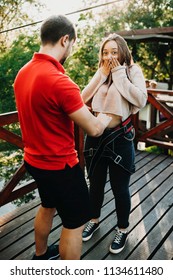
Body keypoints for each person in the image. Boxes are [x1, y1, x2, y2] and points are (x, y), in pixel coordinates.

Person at [14, 15, 112, 260]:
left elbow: (64, 105)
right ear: (65, 39)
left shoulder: (23, 73)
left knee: (47, 205)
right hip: (61, 167)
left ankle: (41, 254)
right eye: (73, 44)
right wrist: (110, 113)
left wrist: (99, 78)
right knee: (75, 224)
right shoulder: (59, 81)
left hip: (34, 161)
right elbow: (95, 129)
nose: (72, 49)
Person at [81, 33, 147, 254]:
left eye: (114, 52)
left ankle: (123, 229)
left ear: (122, 51)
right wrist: (102, 74)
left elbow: (140, 99)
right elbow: (82, 98)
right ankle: (94, 219)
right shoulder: (101, 71)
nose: (109, 56)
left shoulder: (132, 70)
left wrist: (119, 74)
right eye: (105, 52)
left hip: (120, 138)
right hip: (95, 137)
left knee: (120, 188)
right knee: (95, 184)